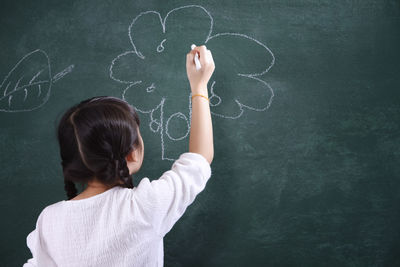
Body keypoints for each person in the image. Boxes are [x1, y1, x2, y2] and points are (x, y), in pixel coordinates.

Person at [23, 45, 215, 267]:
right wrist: (199, 85)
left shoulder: (50, 221)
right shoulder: (144, 206)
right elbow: (199, 159)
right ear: (132, 154)